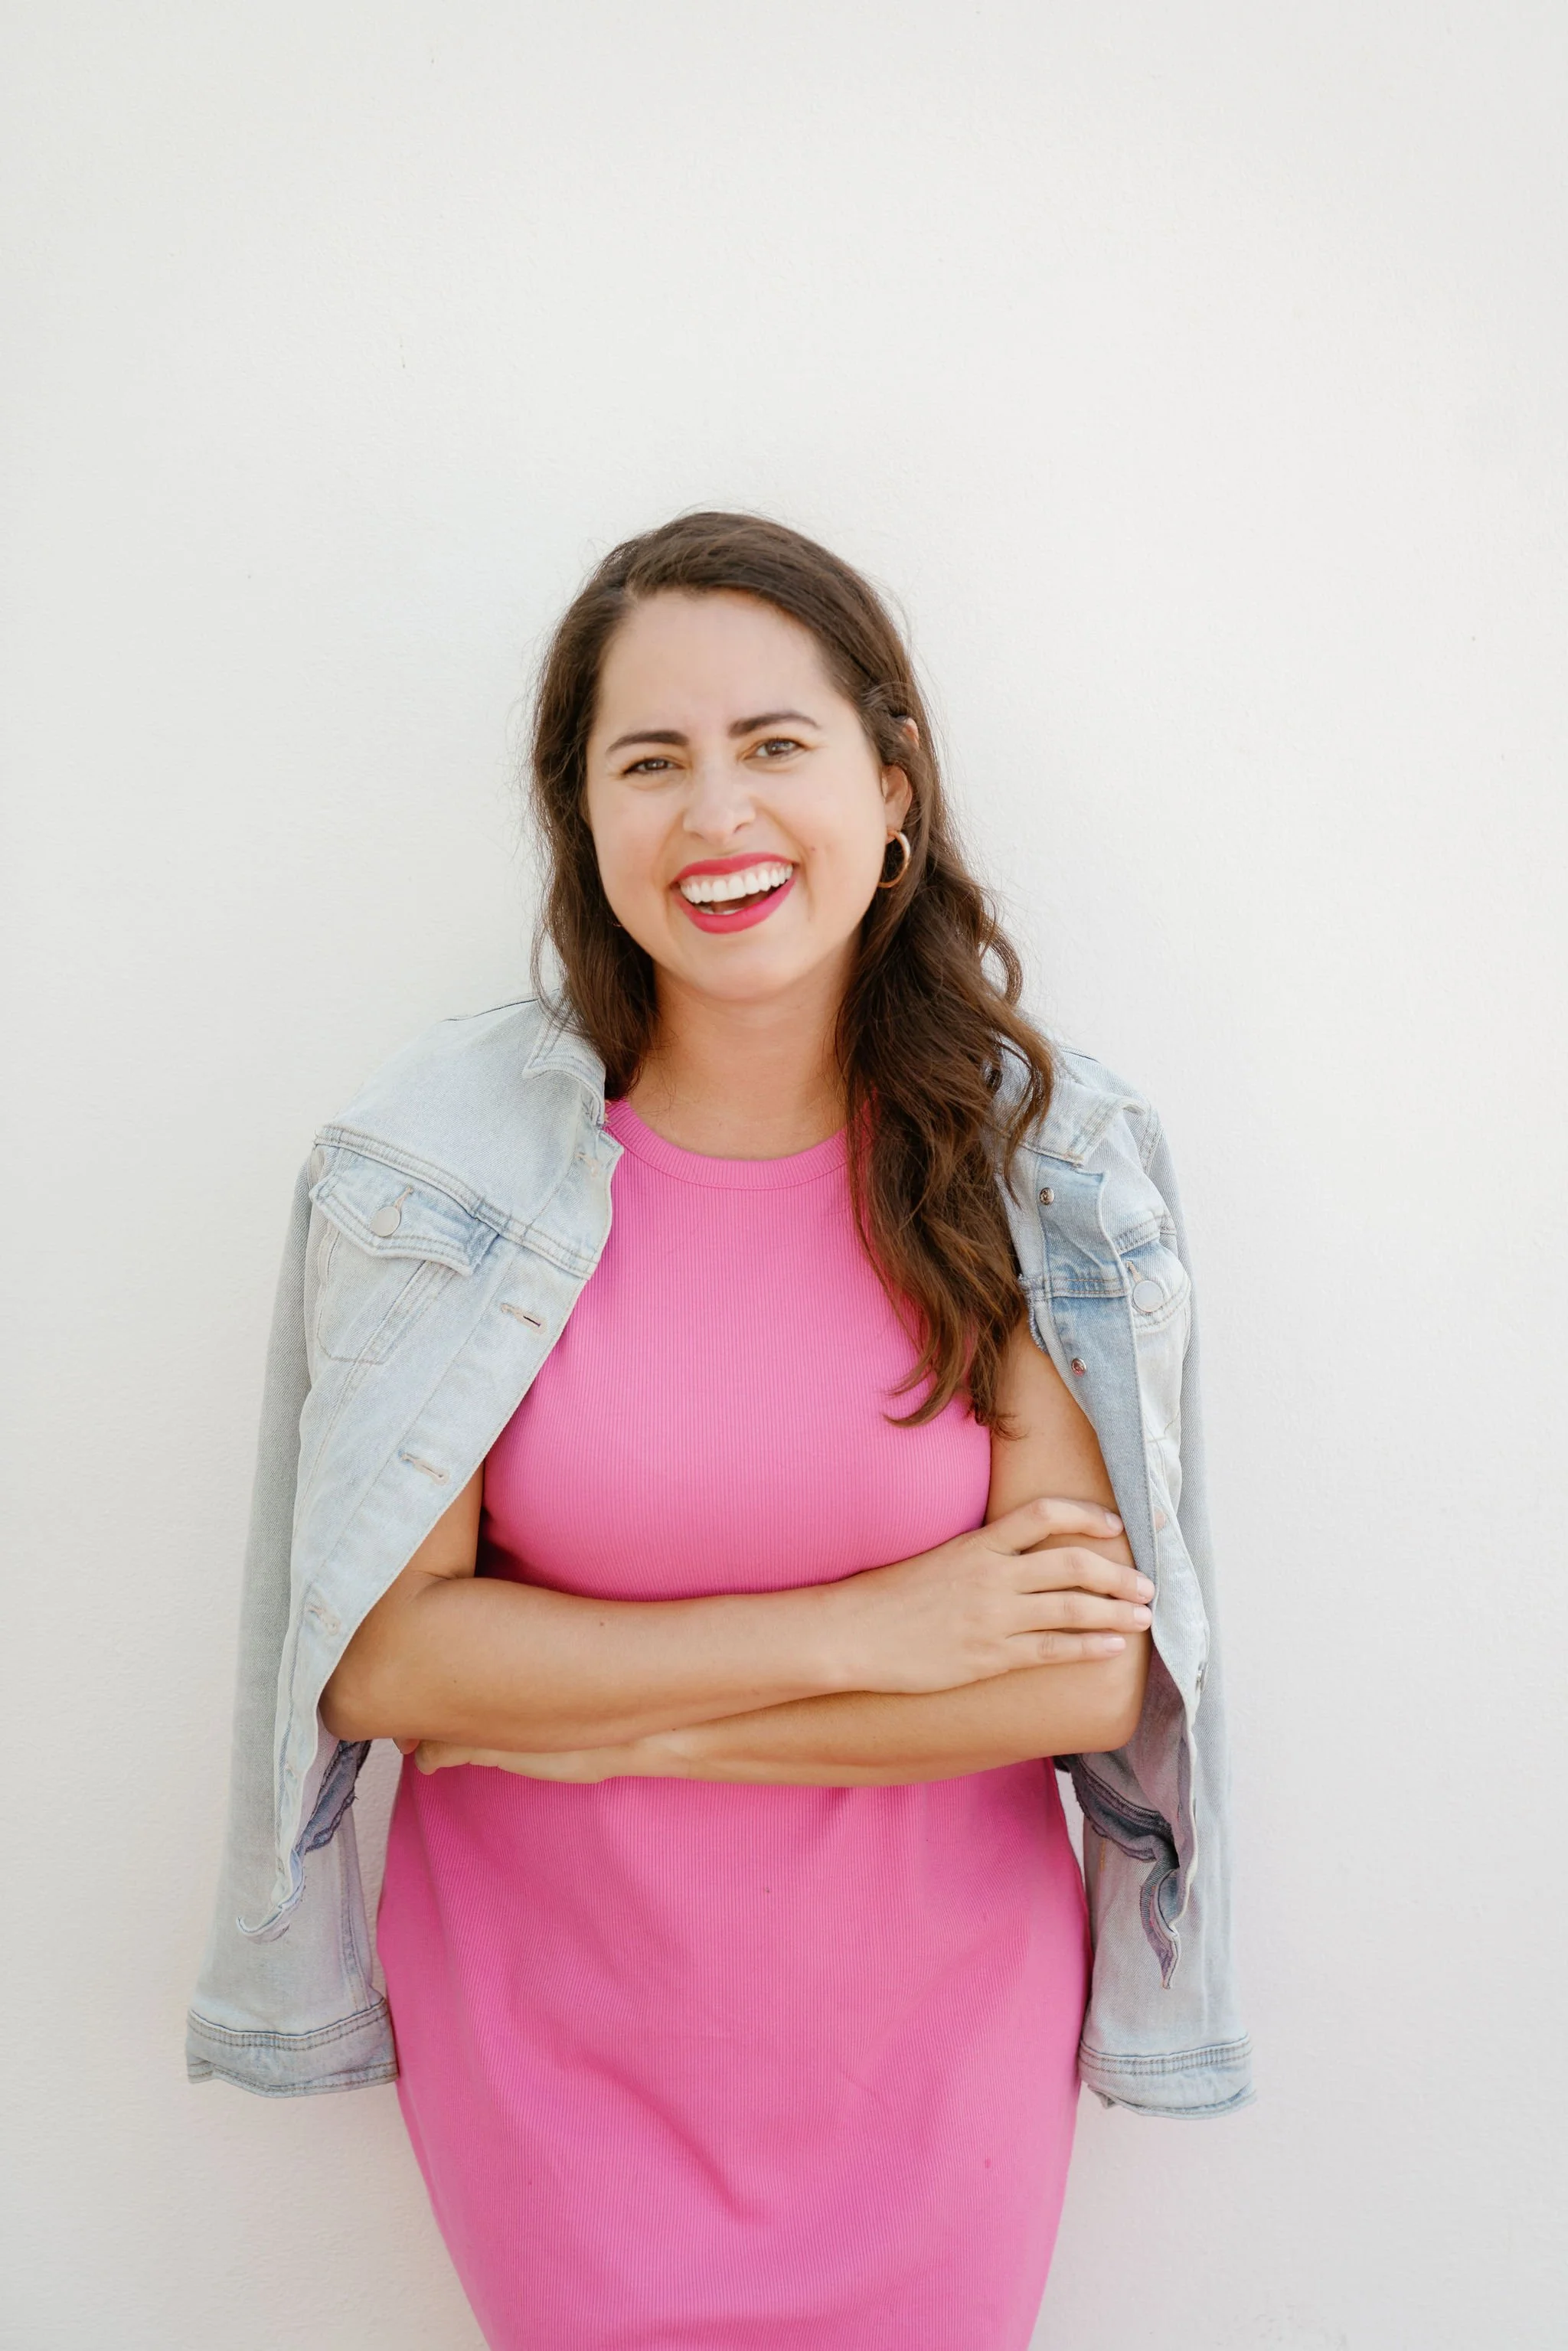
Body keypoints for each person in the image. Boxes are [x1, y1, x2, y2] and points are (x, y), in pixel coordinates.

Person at [187, 512, 1253, 2351]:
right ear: (581, 816)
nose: (717, 814)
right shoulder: (443, 1166)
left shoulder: (1032, 1164)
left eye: (775, 746)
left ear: (891, 783)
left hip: (932, 2053)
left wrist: (626, 1723)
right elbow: (375, 1650)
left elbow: (1081, 1681)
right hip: (558, 2039)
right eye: (650, 761)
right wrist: (867, 1630)